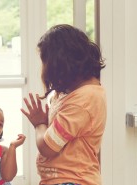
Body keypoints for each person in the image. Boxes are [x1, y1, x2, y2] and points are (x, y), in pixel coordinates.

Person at [21, 24, 107, 185]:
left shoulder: (83, 100)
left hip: (72, 181)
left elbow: (47, 148)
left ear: (59, 64)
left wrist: (39, 124)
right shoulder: (72, 92)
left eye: (45, 63)